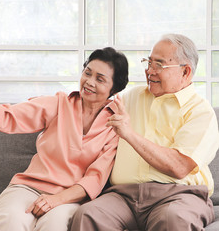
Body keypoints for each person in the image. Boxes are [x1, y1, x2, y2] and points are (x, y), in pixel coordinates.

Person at [0, 47, 129, 231]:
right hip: (27, 189)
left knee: (54, 226)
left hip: (69, 199)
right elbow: (8, 117)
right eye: (87, 73)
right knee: (10, 223)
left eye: (100, 79)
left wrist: (55, 200)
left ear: (114, 88)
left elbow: (94, 179)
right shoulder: (58, 104)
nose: (89, 82)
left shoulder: (115, 125)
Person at [69, 34, 219, 231]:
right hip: (123, 196)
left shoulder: (199, 111)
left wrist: (129, 133)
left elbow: (179, 166)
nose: (149, 71)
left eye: (159, 65)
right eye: (148, 62)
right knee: (88, 214)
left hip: (179, 196)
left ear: (185, 72)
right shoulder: (133, 96)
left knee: (173, 219)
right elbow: (92, 107)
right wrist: (52, 111)